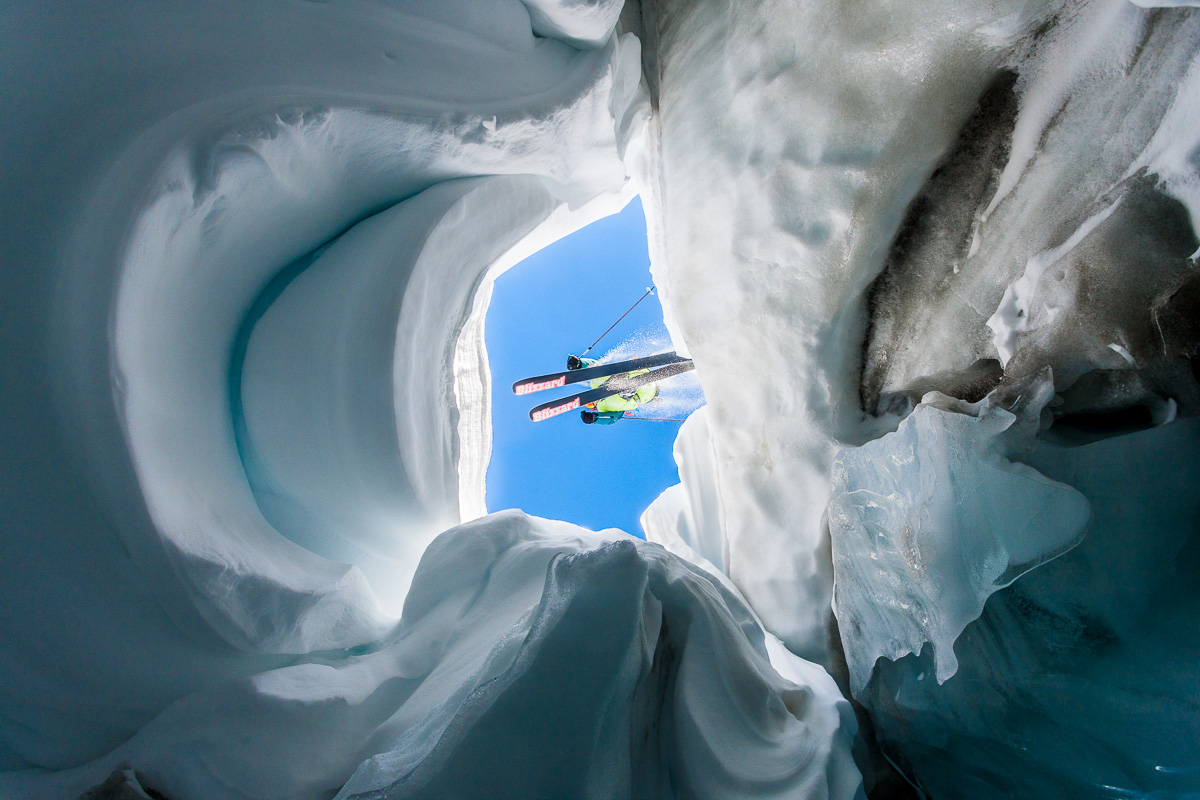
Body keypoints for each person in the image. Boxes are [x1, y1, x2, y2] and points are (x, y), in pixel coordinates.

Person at [567, 355, 660, 424]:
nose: (592, 400)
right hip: (644, 394)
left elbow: (596, 367)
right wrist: (595, 419)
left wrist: (580, 363)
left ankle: (634, 369)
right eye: (589, 404)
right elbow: (613, 418)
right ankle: (626, 392)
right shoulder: (602, 407)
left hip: (639, 375)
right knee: (605, 405)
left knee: (596, 379)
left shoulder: (595, 384)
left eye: (588, 399)